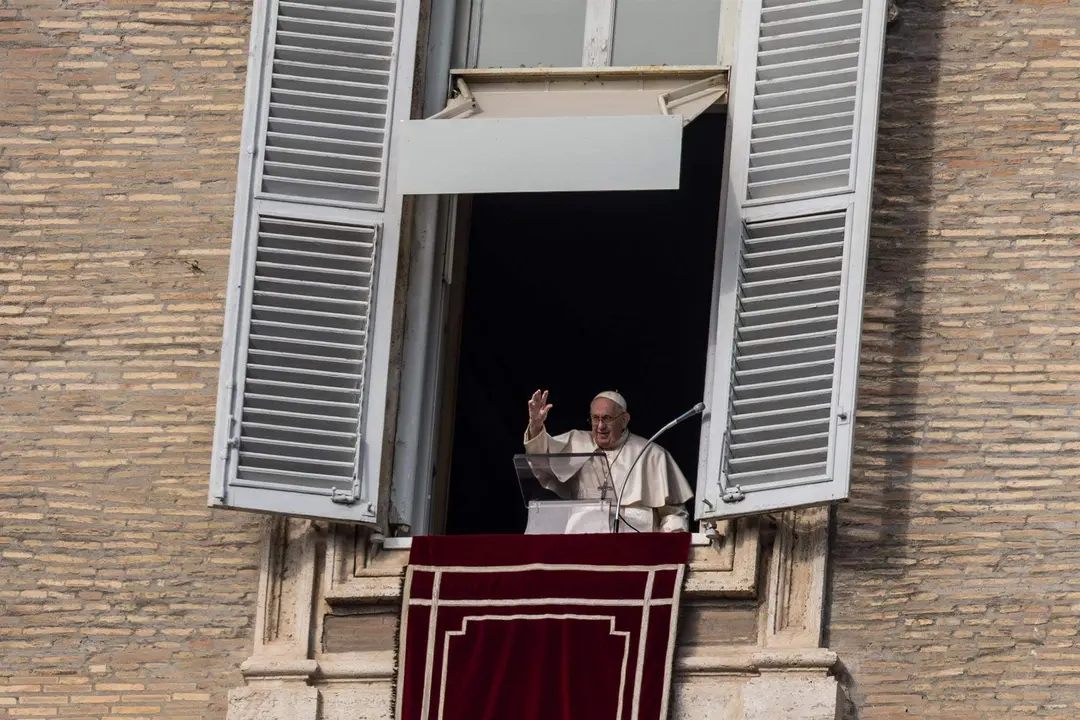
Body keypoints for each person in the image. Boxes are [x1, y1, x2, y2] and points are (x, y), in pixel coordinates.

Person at [524, 389, 693, 532]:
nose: (600, 426)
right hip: (581, 542)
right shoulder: (576, 442)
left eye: (607, 418)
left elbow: (674, 513)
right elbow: (541, 460)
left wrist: (668, 546)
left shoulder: (651, 454)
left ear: (624, 420)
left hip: (635, 549)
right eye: (595, 418)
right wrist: (536, 426)